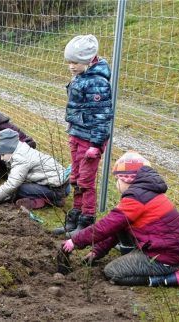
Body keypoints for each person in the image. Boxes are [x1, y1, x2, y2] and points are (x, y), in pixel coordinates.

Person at [61, 151, 179, 287]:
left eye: (118, 179)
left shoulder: (137, 199)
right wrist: (97, 251)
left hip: (162, 258)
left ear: (127, 179)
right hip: (162, 249)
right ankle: (144, 261)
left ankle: (170, 278)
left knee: (113, 272)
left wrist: (75, 241)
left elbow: (105, 226)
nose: (117, 183)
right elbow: (117, 227)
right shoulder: (145, 192)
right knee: (122, 227)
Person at [53, 35, 113, 236]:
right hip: (76, 134)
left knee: (86, 182)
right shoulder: (81, 76)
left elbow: (102, 115)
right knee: (75, 178)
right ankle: (74, 217)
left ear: (88, 60)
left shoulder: (97, 83)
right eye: (69, 62)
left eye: (75, 63)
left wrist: (96, 144)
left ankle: (87, 222)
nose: (71, 66)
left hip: (89, 140)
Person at [0, 129, 69, 210]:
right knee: (18, 187)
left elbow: (12, 184)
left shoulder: (20, 159)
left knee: (19, 189)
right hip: (58, 184)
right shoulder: (21, 149)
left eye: (3, 154)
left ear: (10, 150)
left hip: (58, 189)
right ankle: (48, 197)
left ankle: (52, 200)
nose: (2, 158)